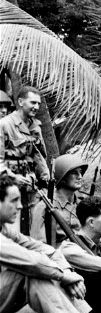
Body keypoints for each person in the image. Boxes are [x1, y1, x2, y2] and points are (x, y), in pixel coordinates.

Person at [1, 176, 101, 313]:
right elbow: (30, 261)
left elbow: (45, 250)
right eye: (13, 201)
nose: (20, 206)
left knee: (42, 268)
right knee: (33, 272)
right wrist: (63, 276)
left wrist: (68, 271)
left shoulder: (4, 229)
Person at [0, 86, 49, 239]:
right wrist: (12, 177)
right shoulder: (5, 124)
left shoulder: (35, 126)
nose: (36, 107)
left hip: (31, 185)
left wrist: (45, 173)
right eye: (33, 102)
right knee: (12, 232)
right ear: (21, 102)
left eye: (39, 104)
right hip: (9, 186)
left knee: (36, 230)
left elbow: (38, 154)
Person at [32, 154, 86, 246]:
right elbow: (38, 244)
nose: (80, 176)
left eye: (80, 172)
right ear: (63, 176)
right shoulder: (45, 206)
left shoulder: (83, 204)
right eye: (74, 173)